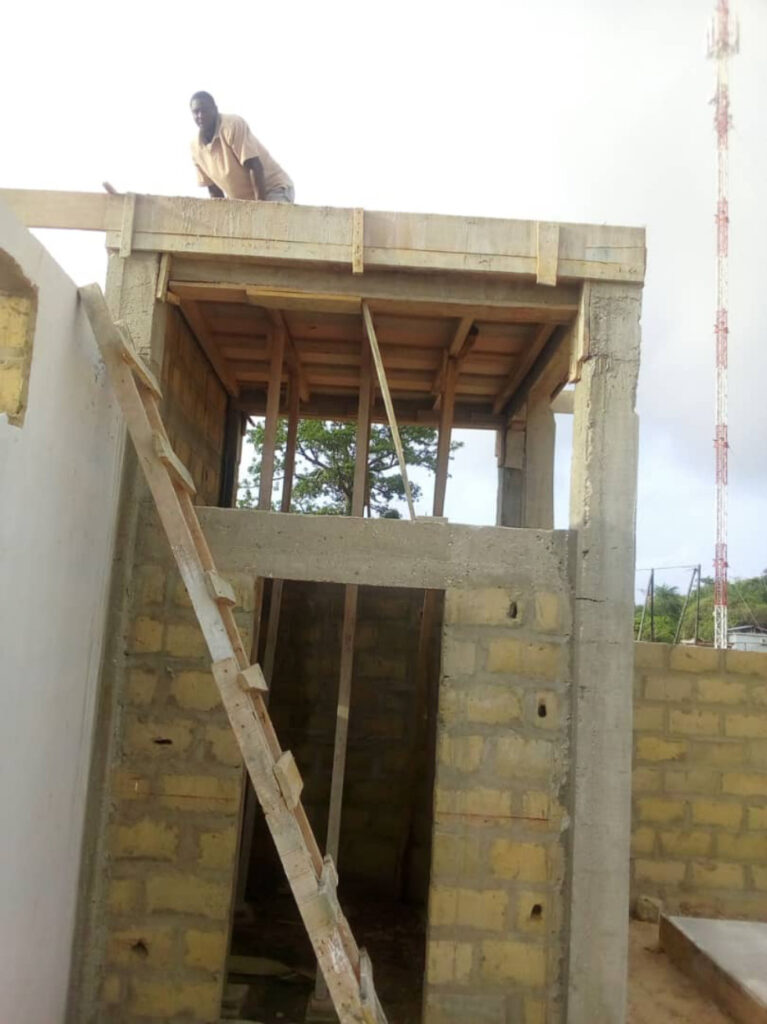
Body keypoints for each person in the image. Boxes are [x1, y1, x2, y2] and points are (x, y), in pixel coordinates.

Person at [189, 91, 295, 203]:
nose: (200, 116)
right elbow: (214, 190)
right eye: (196, 112)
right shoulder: (196, 148)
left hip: (273, 189)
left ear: (215, 110)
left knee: (266, 214)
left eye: (205, 110)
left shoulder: (232, 125)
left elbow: (254, 166)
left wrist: (260, 206)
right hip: (243, 202)